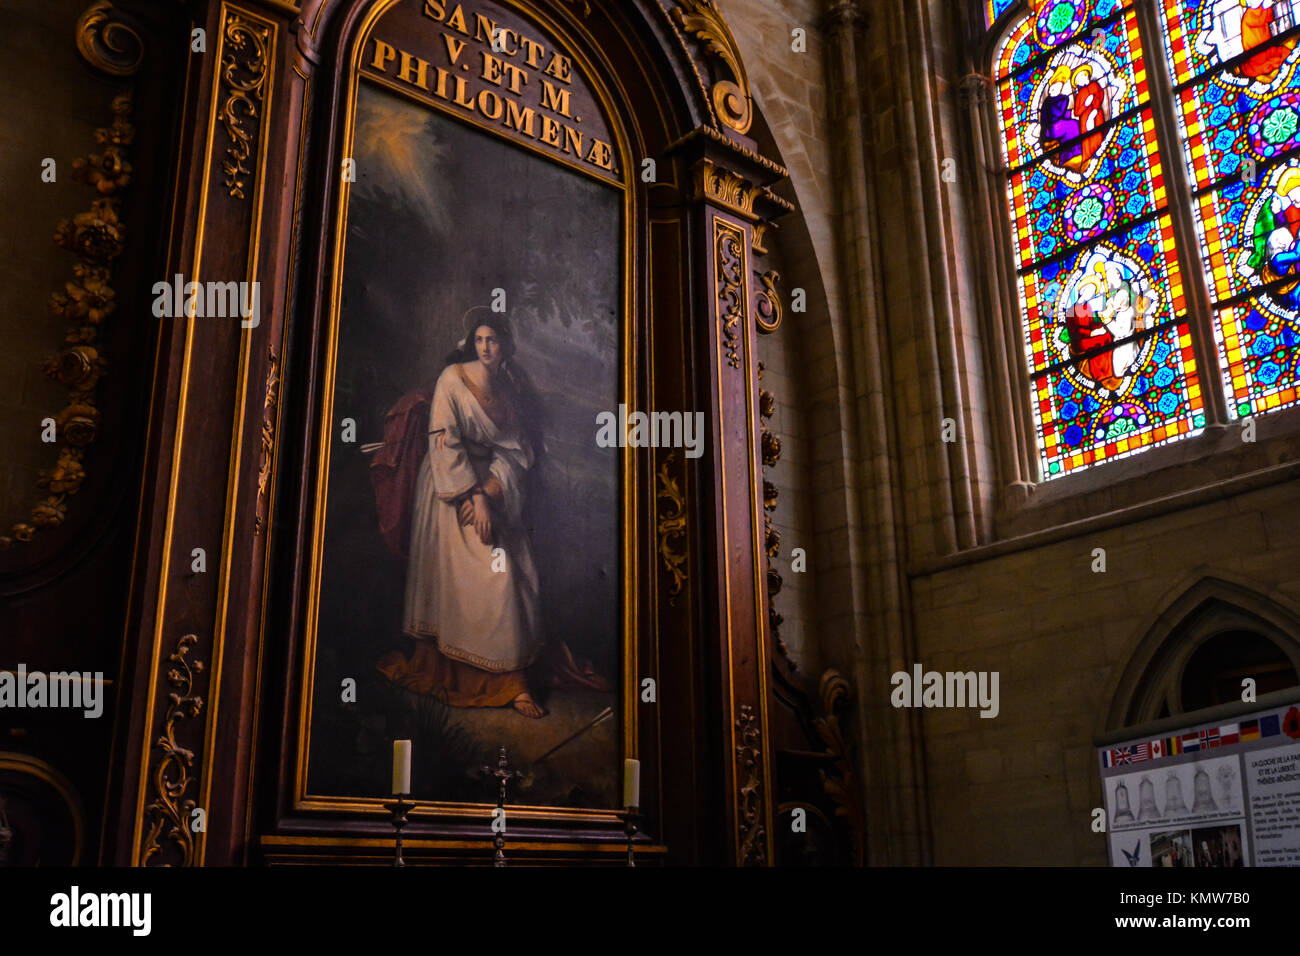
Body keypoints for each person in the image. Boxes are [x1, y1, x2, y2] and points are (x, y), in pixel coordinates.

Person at [1238, 0, 1296, 85]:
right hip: (1256, 51)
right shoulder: (1250, 15)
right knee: (1263, 61)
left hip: (1263, 47)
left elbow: (1268, 17)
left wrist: (1266, 7)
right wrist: (1266, 6)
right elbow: (1260, 20)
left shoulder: (1256, 12)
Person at [1040, 65, 1084, 173]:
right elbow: (1055, 115)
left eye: (1059, 87)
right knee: (1072, 126)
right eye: (1054, 86)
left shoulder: (1063, 98)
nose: (1055, 89)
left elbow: (1062, 114)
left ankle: (1074, 154)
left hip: (1057, 125)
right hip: (1050, 129)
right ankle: (1069, 156)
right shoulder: (1048, 101)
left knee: (1075, 124)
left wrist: (1069, 114)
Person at [1072, 64, 1109, 169]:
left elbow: (1100, 96)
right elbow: (1077, 112)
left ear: (1087, 76)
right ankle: (1088, 160)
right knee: (1087, 141)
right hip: (1084, 120)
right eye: (1079, 80)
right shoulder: (1080, 95)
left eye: (1083, 76)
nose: (1082, 80)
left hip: (1096, 114)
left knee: (1098, 134)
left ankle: (1101, 152)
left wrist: (1094, 108)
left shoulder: (1094, 86)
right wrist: (1085, 105)